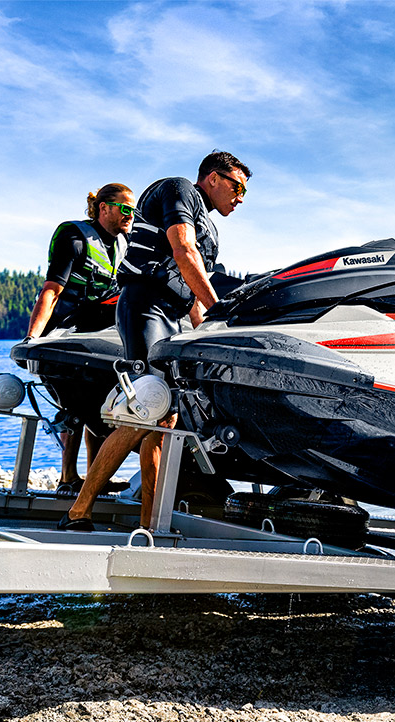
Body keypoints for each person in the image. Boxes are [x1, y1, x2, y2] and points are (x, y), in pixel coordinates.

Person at [58, 151, 250, 531]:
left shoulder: (208, 228)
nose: (241, 197)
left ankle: (150, 524)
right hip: (145, 306)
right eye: (237, 186)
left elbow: (191, 292)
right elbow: (183, 252)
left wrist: (208, 332)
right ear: (212, 178)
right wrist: (219, 311)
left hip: (173, 316)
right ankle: (78, 512)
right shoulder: (179, 191)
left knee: (167, 417)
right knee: (146, 408)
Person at [24, 183, 135, 494]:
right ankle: (68, 476)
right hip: (60, 336)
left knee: (100, 406)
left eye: (133, 211)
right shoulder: (74, 238)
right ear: (104, 208)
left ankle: (94, 476)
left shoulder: (122, 244)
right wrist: (32, 339)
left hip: (94, 336)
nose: (131, 215)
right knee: (74, 408)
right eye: (125, 209)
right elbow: (52, 290)